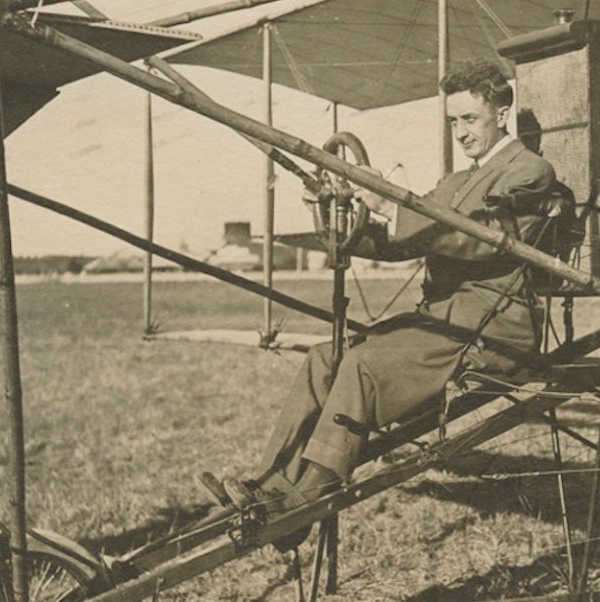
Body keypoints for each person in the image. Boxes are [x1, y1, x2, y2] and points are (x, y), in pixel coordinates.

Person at [202, 59, 571, 547]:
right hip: (441, 324)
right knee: (324, 358)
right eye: (453, 122)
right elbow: (402, 241)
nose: (460, 133)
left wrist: (385, 202)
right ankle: (268, 487)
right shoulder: (456, 182)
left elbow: (480, 240)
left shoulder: (530, 172)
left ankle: (305, 501)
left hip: (491, 329)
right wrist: (340, 215)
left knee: (362, 366)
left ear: (502, 114)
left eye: (470, 119)